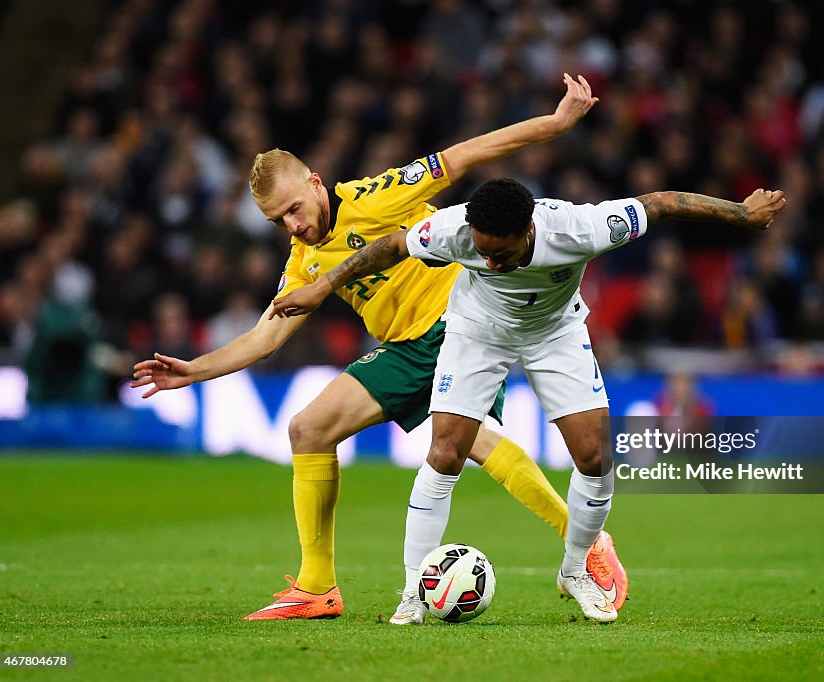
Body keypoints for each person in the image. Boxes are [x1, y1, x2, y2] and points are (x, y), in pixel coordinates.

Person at [131, 74, 628, 621]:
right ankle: (585, 542)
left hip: (455, 327)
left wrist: (556, 124)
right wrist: (194, 370)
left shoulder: (380, 194)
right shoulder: (305, 260)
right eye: (279, 222)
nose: (294, 227)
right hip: (407, 348)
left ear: (317, 183)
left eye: (296, 209)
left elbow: (466, 155)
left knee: (314, 428)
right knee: (462, 444)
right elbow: (266, 336)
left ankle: (319, 585)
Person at [270, 179, 787, 622]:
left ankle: (575, 568)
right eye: (482, 250)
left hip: (555, 333)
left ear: (530, 231)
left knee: (596, 457)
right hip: (477, 331)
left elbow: (661, 202)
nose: (491, 261)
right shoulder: (455, 228)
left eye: (503, 252)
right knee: (446, 451)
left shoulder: (581, 227)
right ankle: (414, 590)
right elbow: (391, 246)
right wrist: (324, 287)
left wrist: (740, 213)